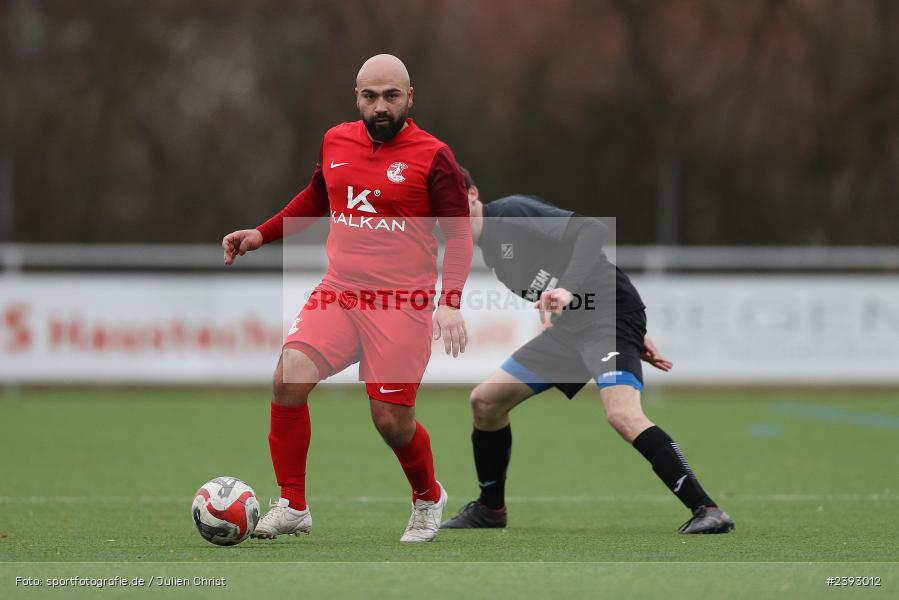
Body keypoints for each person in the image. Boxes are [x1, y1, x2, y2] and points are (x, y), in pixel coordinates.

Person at [221, 55, 472, 543]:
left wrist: (451, 300)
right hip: (339, 291)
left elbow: (459, 237)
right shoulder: (336, 140)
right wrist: (262, 234)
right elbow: (319, 195)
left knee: (391, 421)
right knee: (287, 378)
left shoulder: (434, 156)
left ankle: (427, 497)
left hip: (402, 302)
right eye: (370, 96)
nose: (380, 106)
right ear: (357, 96)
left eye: (391, 96)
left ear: (410, 98)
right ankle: (292, 505)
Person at [440, 169, 734, 534]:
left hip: (608, 318)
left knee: (622, 415)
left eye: (453, 197)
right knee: (485, 402)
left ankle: (707, 508)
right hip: (574, 330)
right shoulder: (488, 249)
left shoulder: (510, 212)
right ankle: (490, 509)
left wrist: (582, 298)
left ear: (472, 193)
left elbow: (592, 231)